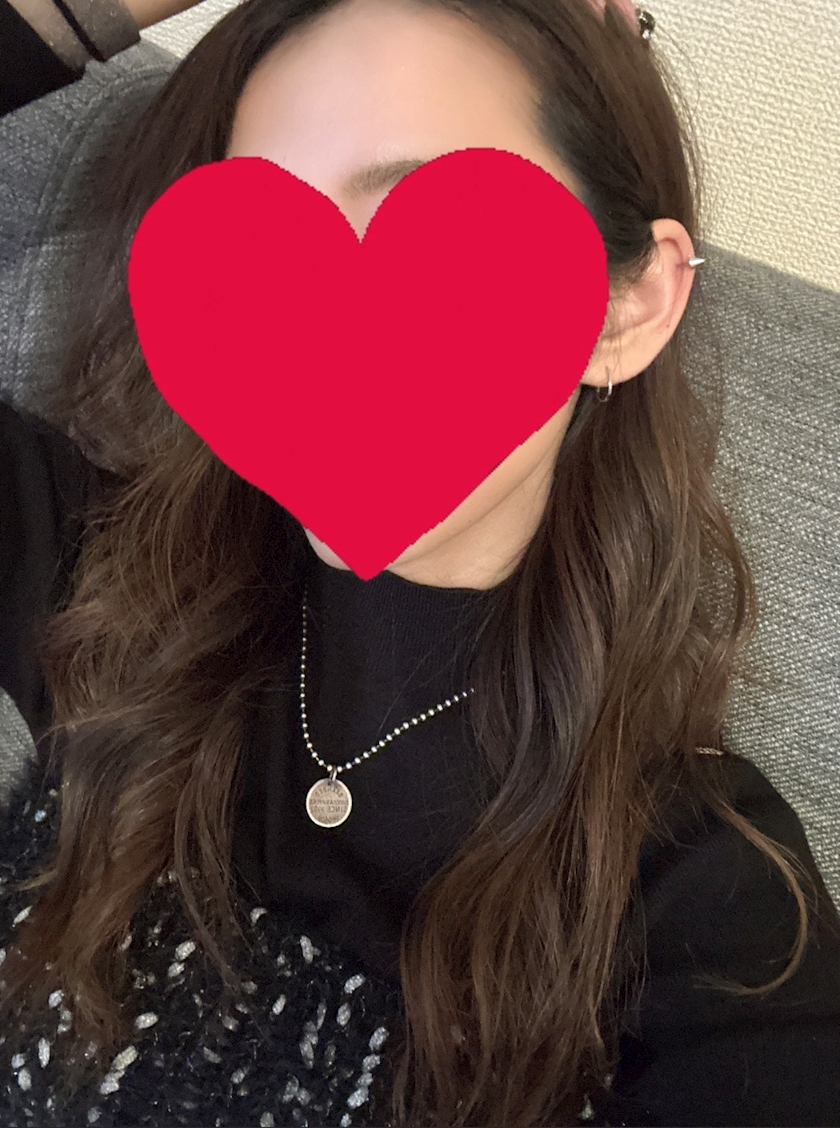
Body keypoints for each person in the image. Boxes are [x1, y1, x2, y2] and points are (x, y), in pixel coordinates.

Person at [1, 0, 839, 1125]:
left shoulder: (713, 906)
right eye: (258, 252)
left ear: (627, 309)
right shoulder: (101, 584)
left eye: (430, 226)